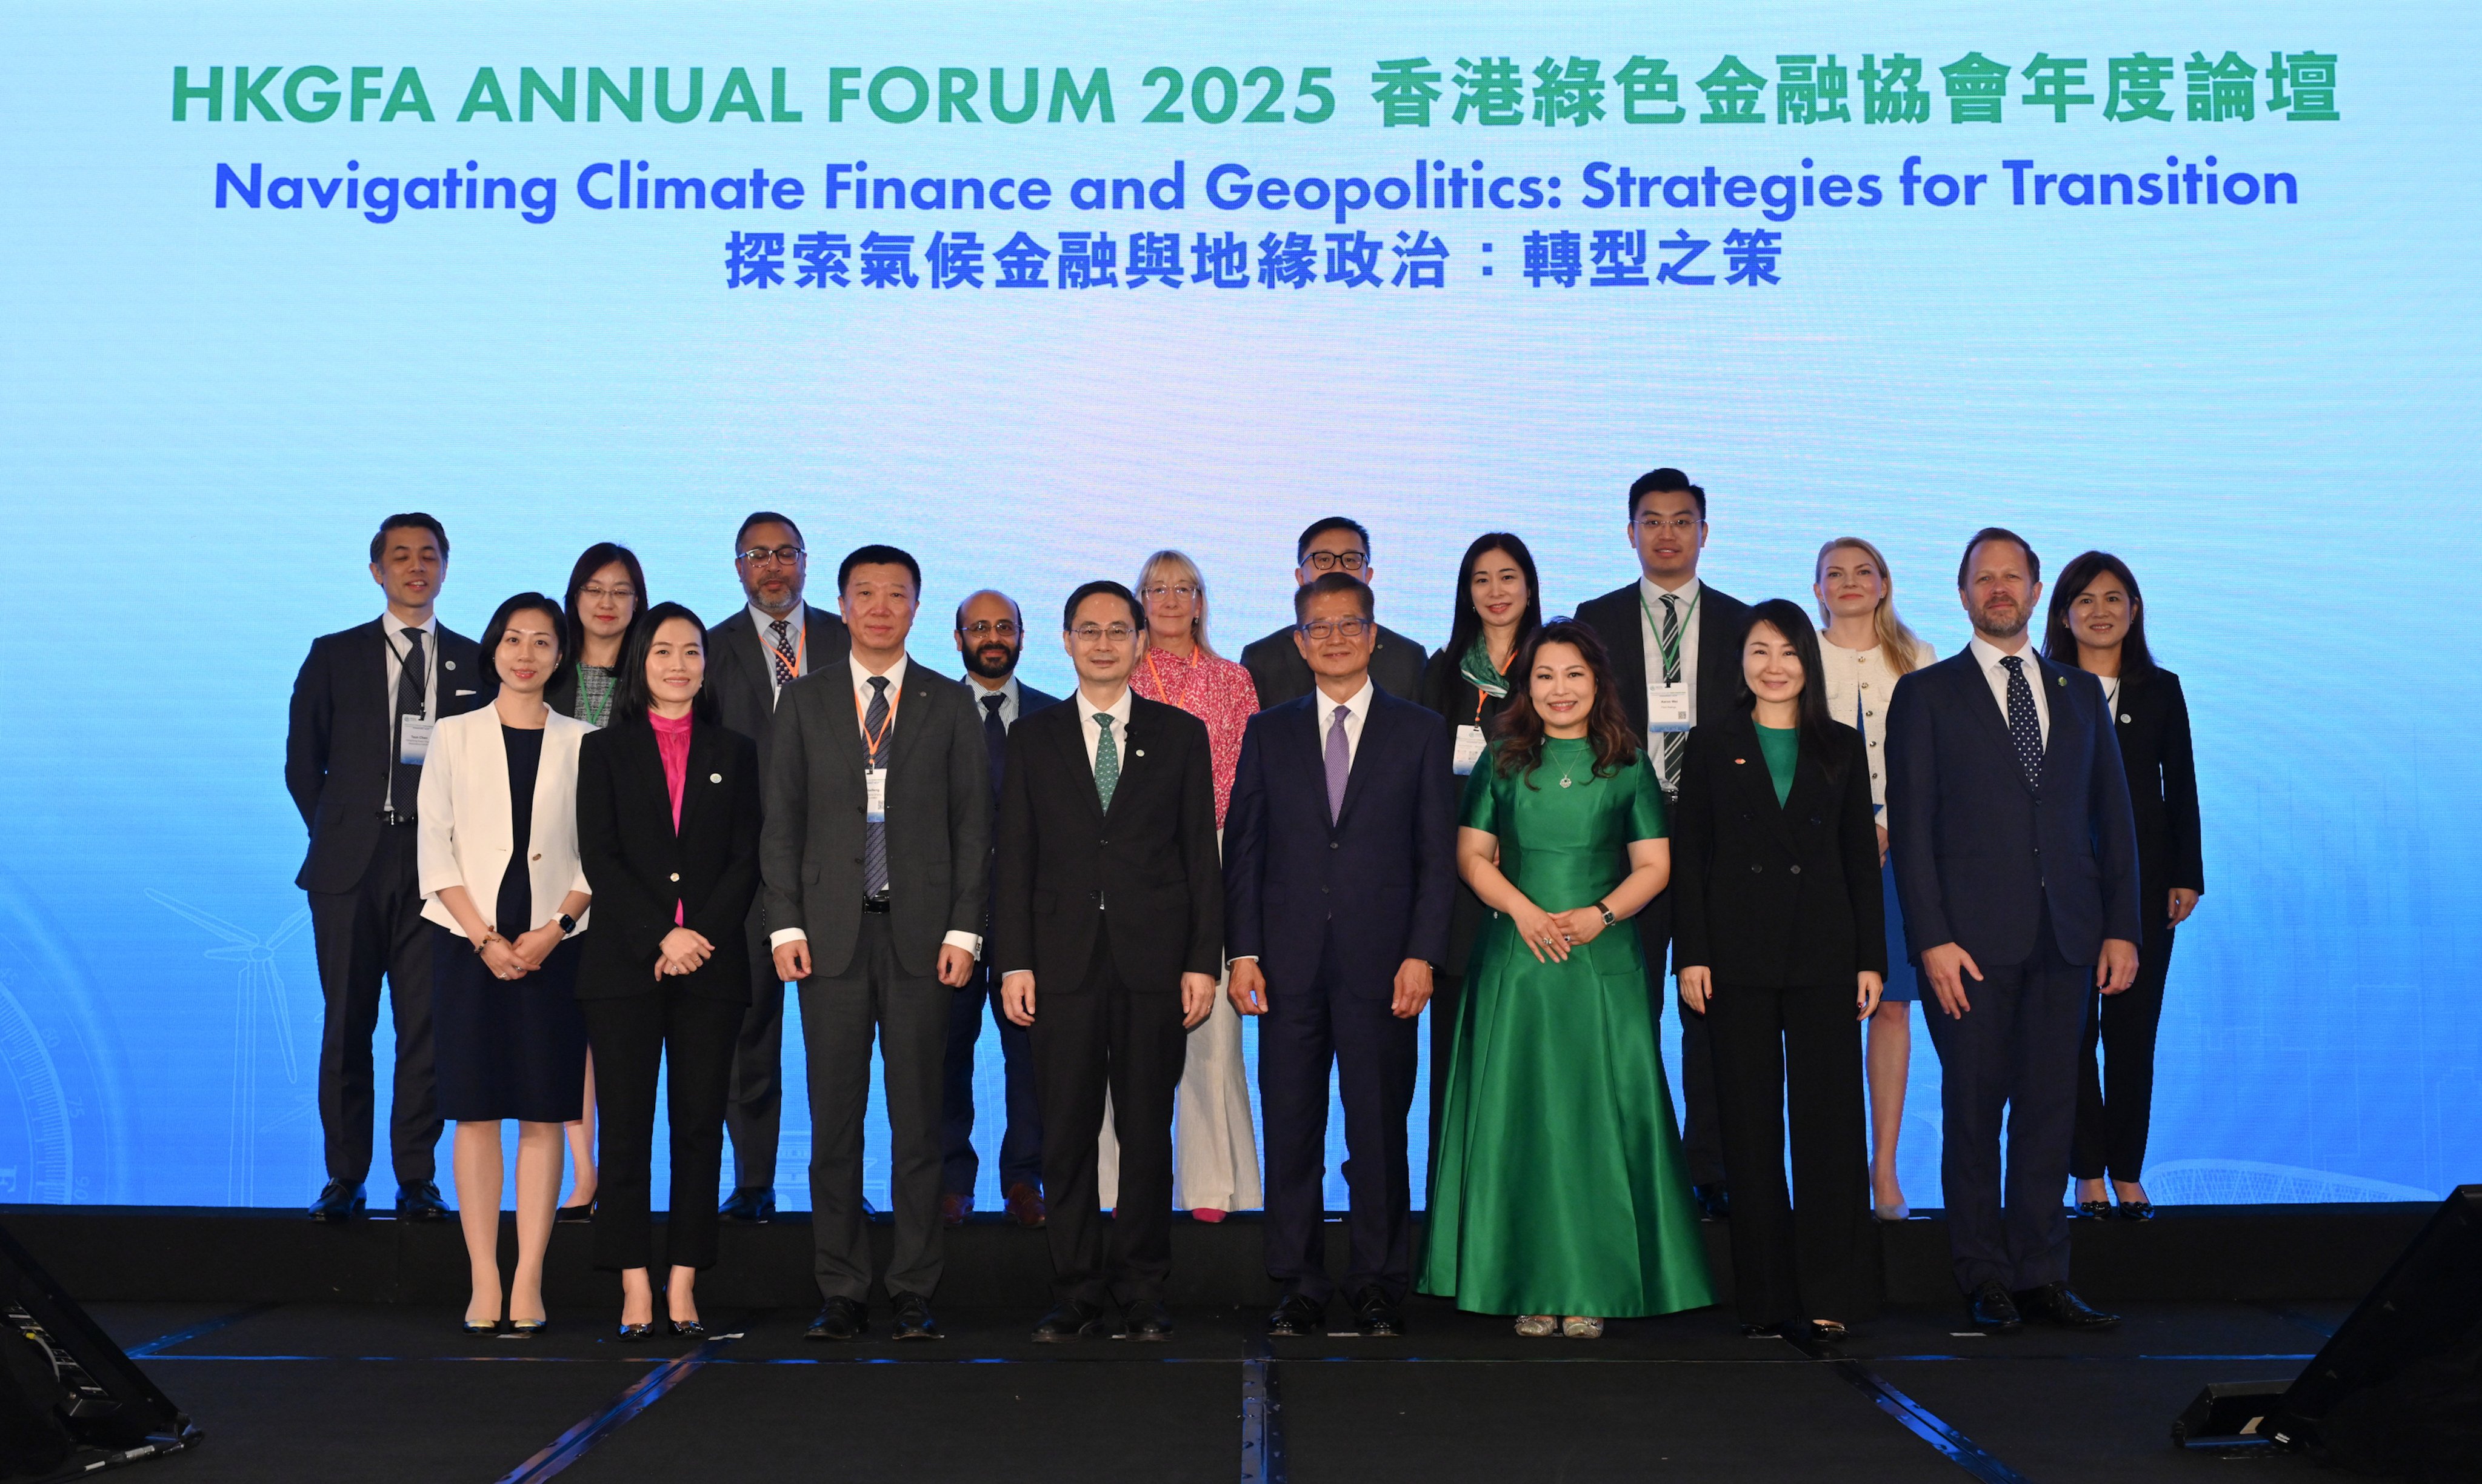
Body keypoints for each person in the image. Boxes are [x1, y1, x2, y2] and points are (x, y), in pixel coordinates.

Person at [1419, 620, 1714, 1338]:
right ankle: (1523, 1280)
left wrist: (1599, 915)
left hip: (1599, 965)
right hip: (1517, 965)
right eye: (1545, 675)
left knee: (1593, 1123)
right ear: (1529, 685)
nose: (1559, 689)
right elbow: (1472, 855)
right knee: (1521, 1123)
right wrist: (1524, 913)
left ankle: (1594, 1286)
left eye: (1573, 674)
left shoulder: (1629, 764)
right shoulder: (1501, 761)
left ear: (1598, 681)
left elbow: (1655, 866)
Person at [1884, 528, 2141, 1334]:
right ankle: (1982, 1273)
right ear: (1961, 594)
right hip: (1966, 946)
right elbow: (1913, 831)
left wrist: (2119, 928)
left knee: (2046, 1111)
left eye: (2012, 577)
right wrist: (1929, 939)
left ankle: (2040, 1276)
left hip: (2066, 937)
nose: (1998, 589)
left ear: (2035, 593)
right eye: (1981, 578)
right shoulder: (1925, 694)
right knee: (1971, 1110)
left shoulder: (2075, 692)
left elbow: (2114, 820)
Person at [763, 545, 989, 1343]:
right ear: (842, 603)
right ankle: (841, 1287)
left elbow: (973, 826)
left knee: (918, 1123)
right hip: (828, 937)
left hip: (925, 939)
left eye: (897, 595)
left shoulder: (947, 701)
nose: (881, 608)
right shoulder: (806, 699)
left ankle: (914, 1287)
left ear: (917, 608)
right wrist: (784, 924)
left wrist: (966, 928)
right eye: (866, 595)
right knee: (834, 1123)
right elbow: (781, 817)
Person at [1227, 573, 1457, 1338]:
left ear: (1373, 634)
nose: (1333, 638)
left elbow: (1435, 857)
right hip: (1285, 967)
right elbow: (1247, 852)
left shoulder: (1420, 731)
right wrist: (1244, 951)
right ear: (1298, 642)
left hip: (1384, 966)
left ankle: (1379, 1283)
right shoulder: (1269, 730)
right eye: (1317, 627)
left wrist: (1423, 953)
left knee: (1378, 1133)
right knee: (1291, 1128)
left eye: (1348, 624)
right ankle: (1297, 1282)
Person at [994, 582, 1221, 1343]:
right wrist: (1014, 961)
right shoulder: (1034, 738)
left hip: (1154, 965)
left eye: (1117, 630)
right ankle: (1077, 1293)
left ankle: (1144, 1293)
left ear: (1138, 641)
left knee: (1148, 1132)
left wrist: (1202, 962)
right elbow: (1014, 858)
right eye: (1087, 630)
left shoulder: (1182, 735)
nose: (1102, 643)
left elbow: (1201, 861)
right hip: (1057, 966)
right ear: (1063, 640)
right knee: (1064, 1134)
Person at [1673, 600, 1884, 1340]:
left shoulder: (1841, 746)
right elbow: (1691, 858)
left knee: (1830, 1123)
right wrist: (1690, 954)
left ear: (1809, 661)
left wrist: (1871, 958)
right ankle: (1763, 1297)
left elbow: (1861, 857)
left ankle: (1833, 1290)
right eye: (1760, 651)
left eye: (1788, 652)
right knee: (1749, 1127)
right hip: (1735, 957)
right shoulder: (1711, 744)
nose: (1774, 666)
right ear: (1742, 662)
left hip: (1825, 954)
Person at [287, 513, 485, 1223]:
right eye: (400, 556)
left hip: (437, 871)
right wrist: (340, 831)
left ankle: (417, 1177)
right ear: (377, 570)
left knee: (425, 1027)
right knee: (347, 1023)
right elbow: (301, 764)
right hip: (350, 867)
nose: (415, 567)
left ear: (445, 567)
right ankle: (344, 1176)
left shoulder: (474, 659)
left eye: (428, 556)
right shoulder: (334, 654)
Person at [575, 604, 763, 1340]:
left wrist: (696, 937)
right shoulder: (604, 750)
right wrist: (662, 933)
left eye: (691, 651)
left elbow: (746, 858)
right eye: (662, 651)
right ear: (639, 663)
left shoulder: (737, 750)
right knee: (625, 1130)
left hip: (710, 966)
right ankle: (632, 1285)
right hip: (625, 964)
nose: (678, 664)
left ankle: (683, 1281)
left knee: (698, 1129)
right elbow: (603, 859)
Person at [414, 593, 595, 1335]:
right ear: (493, 650)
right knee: (477, 1110)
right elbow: (435, 845)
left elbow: (597, 854)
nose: (526, 654)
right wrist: (485, 938)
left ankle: (529, 1279)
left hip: (558, 948)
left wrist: (554, 928)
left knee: (546, 1112)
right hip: (466, 947)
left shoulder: (585, 740)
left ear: (561, 656)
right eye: (514, 640)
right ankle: (484, 1278)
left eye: (543, 642)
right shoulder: (453, 736)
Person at [1573, 470, 1750, 1221]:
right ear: (1631, 533)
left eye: (1683, 521)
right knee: (1629, 1009)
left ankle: (1713, 1167)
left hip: (1717, 843)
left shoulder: (1747, 625)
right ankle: (1634, 1161)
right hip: (1625, 842)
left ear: (1705, 532)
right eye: (1652, 521)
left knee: (1716, 1010)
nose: (1668, 534)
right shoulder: (1595, 618)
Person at [2044, 552, 2202, 1223]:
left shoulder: (2160, 688)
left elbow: (2181, 786)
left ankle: (2129, 1171)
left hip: (2144, 883)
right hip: (2064, 882)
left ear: (2134, 611)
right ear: (2064, 614)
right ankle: (2086, 1173)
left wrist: (2187, 874)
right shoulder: (2044, 687)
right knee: (2072, 1033)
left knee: (2134, 1031)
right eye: (2085, 599)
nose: (2100, 611)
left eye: (2115, 598)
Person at [706, 512, 852, 1224]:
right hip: (743, 876)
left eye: (786, 553)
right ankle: (755, 1181)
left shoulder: (848, 638)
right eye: (757, 555)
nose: (773, 566)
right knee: (749, 1036)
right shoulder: (707, 650)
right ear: (738, 567)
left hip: (836, 871)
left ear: (806, 561)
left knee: (839, 1042)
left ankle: (841, 1182)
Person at [1117, 549, 1261, 1223]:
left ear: (1202, 600)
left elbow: (1254, 787)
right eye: (1157, 588)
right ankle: (1115, 1185)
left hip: (1221, 852)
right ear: (1139, 599)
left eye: (1184, 588)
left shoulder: (1235, 680)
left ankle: (1214, 1185)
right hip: (1138, 860)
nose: (1171, 599)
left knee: (1214, 1027)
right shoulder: (1119, 675)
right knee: (1128, 1025)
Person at [1810, 538, 1940, 1222]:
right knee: (1825, 1011)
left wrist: (1886, 821)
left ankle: (1884, 1167)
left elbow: (1932, 757)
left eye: (1864, 571)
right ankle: (1828, 1166)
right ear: (1818, 589)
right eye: (1836, 573)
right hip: (1820, 858)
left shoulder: (1918, 659)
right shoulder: (1799, 656)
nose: (1851, 582)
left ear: (1886, 584)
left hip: (1901, 856)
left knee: (1891, 1006)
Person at [1415, 533, 1542, 1182]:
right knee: (1457, 1059)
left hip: (1535, 882)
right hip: (1453, 884)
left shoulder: (1552, 668)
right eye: (1482, 580)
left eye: (1508, 577)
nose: (1496, 592)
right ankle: (1457, 1210)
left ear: (1530, 586)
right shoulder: (1438, 674)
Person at [942, 588, 1059, 1229]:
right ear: (957, 637)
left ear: (1022, 635)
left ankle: (1024, 1179)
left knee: (1033, 1058)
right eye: (978, 626)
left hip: (1033, 920)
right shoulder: (928, 710)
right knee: (945, 1056)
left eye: (1004, 626)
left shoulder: (1052, 715)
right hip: (946, 921)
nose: (992, 636)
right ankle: (950, 1182)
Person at [545, 541, 650, 1224]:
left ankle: (626, 1170)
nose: (607, 603)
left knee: (627, 1036)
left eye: (621, 590)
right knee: (567, 1034)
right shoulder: (544, 674)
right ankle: (585, 1173)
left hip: (635, 879)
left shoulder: (657, 676)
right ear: (575, 597)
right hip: (555, 874)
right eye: (594, 589)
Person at [1239, 517, 1429, 708]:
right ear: (1300, 576)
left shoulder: (1408, 657)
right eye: (1323, 560)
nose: (1338, 569)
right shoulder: (1261, 659)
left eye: (1351, 560)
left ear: (1369, 575)